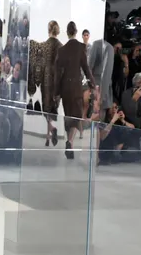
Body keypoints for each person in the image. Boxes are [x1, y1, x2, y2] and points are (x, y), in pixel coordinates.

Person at [53, 21, 96, 159]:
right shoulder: (80, 48)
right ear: (76, 32)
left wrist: (56, 92)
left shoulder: (62, 50)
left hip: (65, 87)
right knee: (76, 116)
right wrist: (92, 86)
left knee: (68, 115)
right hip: (77, 86)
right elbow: (86, 69)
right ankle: (70, 141)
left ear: (67, 32)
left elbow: (58, 74)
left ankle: (69, 142)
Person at [28, 21, 61, 146]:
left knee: (46, 107)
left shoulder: (43, 46)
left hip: (46, 78)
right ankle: (49, 134)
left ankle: (50, 131)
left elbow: (36, 61)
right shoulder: (61, 46)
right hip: (56, 80)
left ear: (48, 30)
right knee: (54, 107)